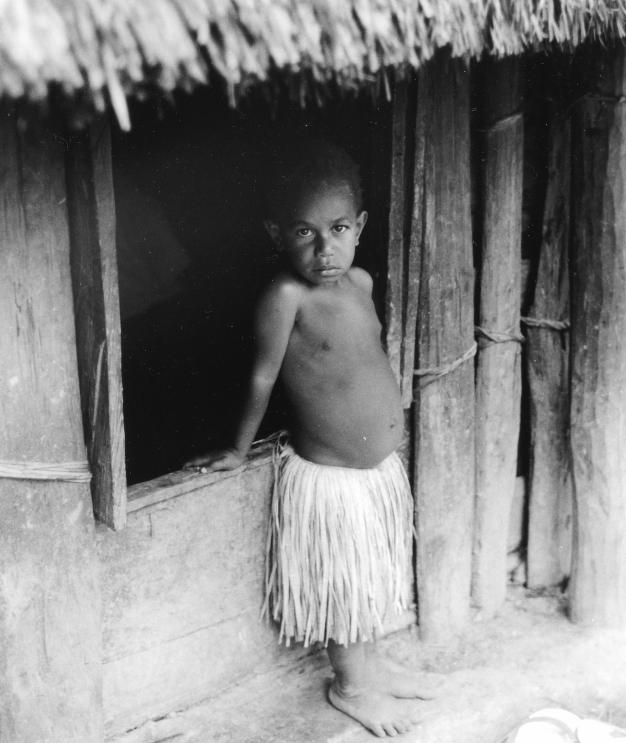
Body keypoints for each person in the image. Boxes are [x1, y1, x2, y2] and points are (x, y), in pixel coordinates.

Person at [187, 140, 436, 737]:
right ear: (277, 233)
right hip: (331, 480)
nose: (325, 249)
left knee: (369, 579)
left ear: (361, 228)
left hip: (377, 472)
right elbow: (262, 376)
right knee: (343, 587)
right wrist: (237, 449)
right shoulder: (285, 297)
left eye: (339, 228)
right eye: (304, 232)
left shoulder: (362, 282)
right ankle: (351, 687)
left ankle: (372, 668)